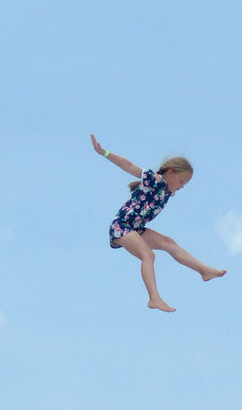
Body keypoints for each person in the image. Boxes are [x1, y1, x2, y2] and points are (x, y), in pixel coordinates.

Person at [90, 134, 226, 313]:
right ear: (170, 173)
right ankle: (154, 298)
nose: (182, 186)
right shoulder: (153, 179)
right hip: (122, 226)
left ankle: (203, 270)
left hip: (136, 228)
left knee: (169, 243)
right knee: (149, 255)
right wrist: (104, 152)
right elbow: (129, 165)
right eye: (181, 181)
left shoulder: (168, 192)